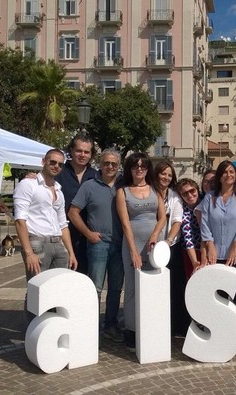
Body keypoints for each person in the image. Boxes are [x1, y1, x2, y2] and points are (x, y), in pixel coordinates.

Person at [14, 149, 77, 324]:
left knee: (58, 289)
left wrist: (70, 252)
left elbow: (63, 223)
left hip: (58, 242)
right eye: (53, 162)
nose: (56, 166)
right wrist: (28, 253)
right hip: (37, 242)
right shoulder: (28, 184)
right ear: (44, 161)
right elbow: (20, 220)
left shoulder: (58, 189)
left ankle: (52, 327)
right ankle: (34, 333)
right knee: (37, 289)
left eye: (60, 164)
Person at [68, 148, 125, 343]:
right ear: (100, 164)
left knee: (116, 288)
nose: (110, 167)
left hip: (120, 244)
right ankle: (90, 325)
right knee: (95, 288)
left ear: (119, 166)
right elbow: (73, 212)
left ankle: (110, 324)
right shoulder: (89, 186)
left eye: (114, 164)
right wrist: (88, 234)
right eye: (106, 163)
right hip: (98, 244)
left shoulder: (123, 185)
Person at [198, 160, 236, 349]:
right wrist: (210, 245)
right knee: (219, 296)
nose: (228, 175)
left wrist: (235, 248)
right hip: (216, 254)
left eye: (232, 172)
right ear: (220, 176)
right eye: (225, 172)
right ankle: (220, 330)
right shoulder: (210, 198)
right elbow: (204, 222)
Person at [115, 152, 166, 352]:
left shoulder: (155, 189)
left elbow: (162, 217)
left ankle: (152, 326)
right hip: (133, 243)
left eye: (143, 166)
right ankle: (131, 330)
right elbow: (125, 223)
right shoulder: (123, 192)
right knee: (133, 288)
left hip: (154, 244)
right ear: (130, 169)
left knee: (154, 285)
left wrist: (155, 235)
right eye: (135, 166)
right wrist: (133, 250)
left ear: (147, 169)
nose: (139, 169)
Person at [152, 160, 187, 338]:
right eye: (163, 173)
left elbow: (177, 221)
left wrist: (168, 240)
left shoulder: (174, 196)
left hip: (170, 247)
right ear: (156, 173)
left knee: (174, 287)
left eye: (169, 175)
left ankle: (175, 326)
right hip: (150, 246)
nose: (166, 177)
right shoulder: (148, 192)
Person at [55, 135, 98, 275]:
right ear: (71, 150)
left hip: (87, 239)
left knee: (84, 280)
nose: (82, 155)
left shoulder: (96, 176)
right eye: (79, 151)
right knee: (60, 279)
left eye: (86, 152)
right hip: (61, 236)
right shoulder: (58, 172)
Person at [176, 178, 202, 279]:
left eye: (192, 191)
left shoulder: (206, 203)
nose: (190, 196)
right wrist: (195, 262)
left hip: (210, 250)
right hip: (191, 253)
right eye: (185, 194)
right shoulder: (183, 211)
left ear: (197, 189)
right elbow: (188, 239)